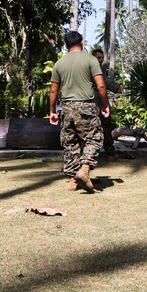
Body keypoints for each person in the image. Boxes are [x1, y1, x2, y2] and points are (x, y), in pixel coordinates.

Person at [49, 31, 110, 193]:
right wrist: (105, 105)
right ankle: (84, 170)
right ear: (82, 43)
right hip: (87, 106)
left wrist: (52, 111)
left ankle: (72, 180)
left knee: (71, 143)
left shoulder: (59, 64)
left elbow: (54, 92)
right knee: (95, 138)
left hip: (67, 108)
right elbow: (101, 85)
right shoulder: (90, 60)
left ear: (65, 45)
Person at [92, 49, 123, 154]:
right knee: (102, 127)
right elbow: (104, 82)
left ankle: (108, 151)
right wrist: (117, 88)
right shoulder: (93, 70)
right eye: (98, 58)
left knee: (105, 127)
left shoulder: (97, 69)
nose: (100, 60)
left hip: (99, 102)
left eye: (102, 58)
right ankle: (108, 152)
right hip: (96, 103)